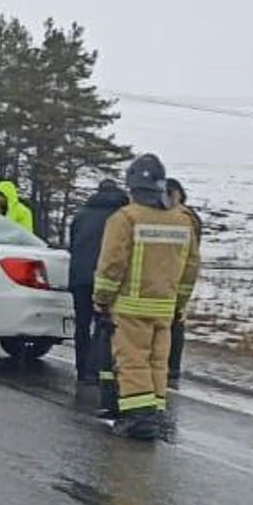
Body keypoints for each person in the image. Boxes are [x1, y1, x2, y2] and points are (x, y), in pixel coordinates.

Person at [93, 154, 201, 441]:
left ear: (133, 187)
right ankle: (154, 411)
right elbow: (190, 268)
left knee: (133, 361)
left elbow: (111, 265)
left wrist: (102, 297)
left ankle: (139, 418)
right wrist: (179, 304)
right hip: (165, 308)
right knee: (157, 362)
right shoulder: (183, 221)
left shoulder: (125, 219)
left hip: (130, 306)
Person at [66, 178, 129, 385]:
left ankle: (82, 369)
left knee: (82, 325)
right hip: (105, 277)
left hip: (79, 277)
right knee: (103, 325)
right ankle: (97, 370)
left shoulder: (82, 214)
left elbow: (73, 244)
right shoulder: (122, 217)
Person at [165, 177, 202, 385]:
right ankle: (171, 369)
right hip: (176, 280)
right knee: (175, 324)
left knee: (171, 325)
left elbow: (190, 257)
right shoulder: (190, 218)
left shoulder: (181, 218)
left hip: (169, 280)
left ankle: (169, 368)